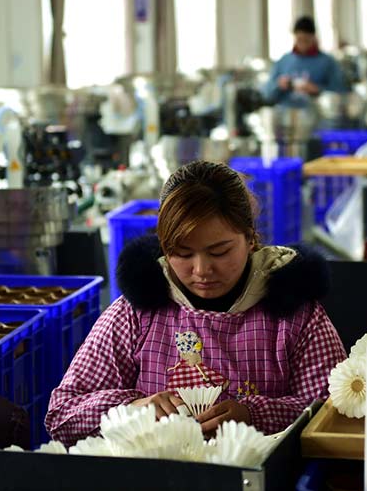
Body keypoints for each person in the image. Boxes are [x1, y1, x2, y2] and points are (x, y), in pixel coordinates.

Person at [45, 161, 347, 446]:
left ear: (250, 239)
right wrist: (134, 408)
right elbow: (62, 414)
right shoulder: (136, 313)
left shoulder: (294, 313)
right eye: (183, 253)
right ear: (164, 246)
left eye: (219, 252)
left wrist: (255, 416)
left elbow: (338, 413)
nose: (202, 270)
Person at [262, 16, 347, 108]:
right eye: (299, 40)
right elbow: (267, 94)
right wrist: (278, 85)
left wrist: (317, 89)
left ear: (313, 38)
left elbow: (340, 93)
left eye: (306, 40)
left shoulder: (327, 62)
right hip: (287, 111)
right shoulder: (284, 61)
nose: (302, 44)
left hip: (316, 112)